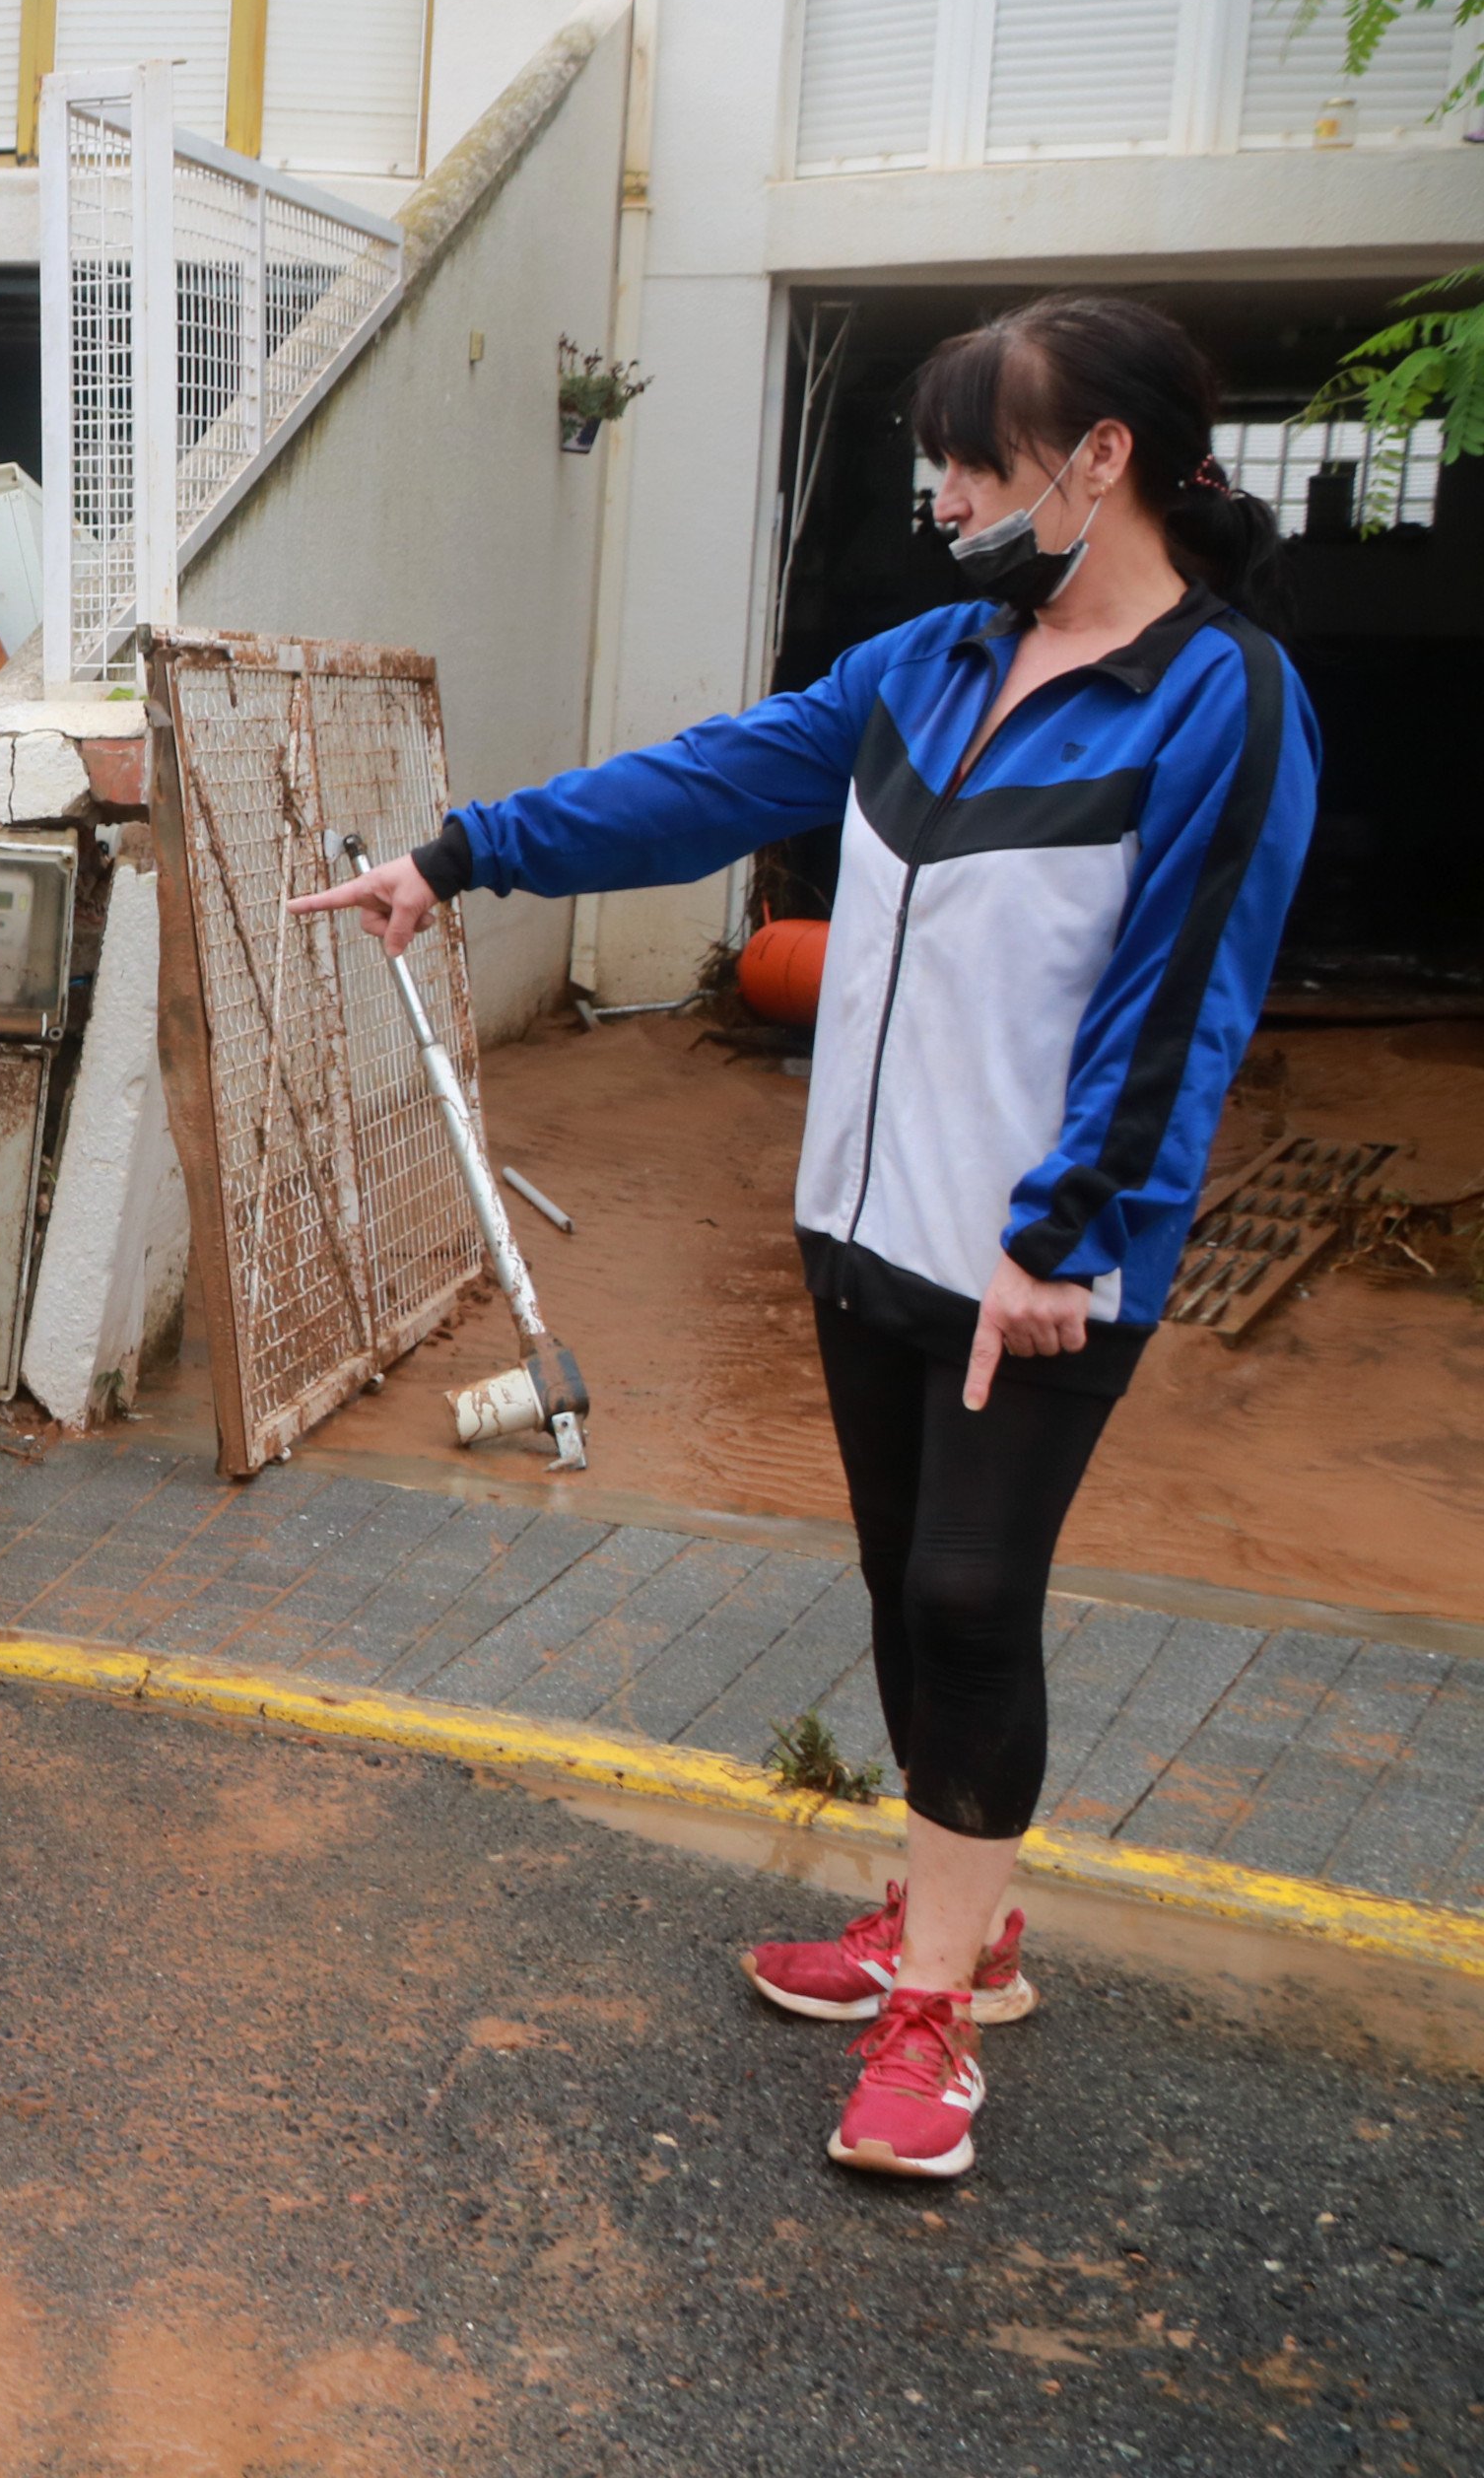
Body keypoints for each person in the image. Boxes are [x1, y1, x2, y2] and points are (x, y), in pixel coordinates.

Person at [287, 295, 1317, 2180]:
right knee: (896, 1584)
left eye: (974, 462)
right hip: (864, 1229)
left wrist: (1066, 1236)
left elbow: (1184, 1006)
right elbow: (706, 782)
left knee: (968, 1598)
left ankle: (937, 2017)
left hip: (1038, 1268)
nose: (938, 496)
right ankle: (960, 1915)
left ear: (1103, 463)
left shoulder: (1221, 700)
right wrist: (457, 858)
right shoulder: (928, 666)